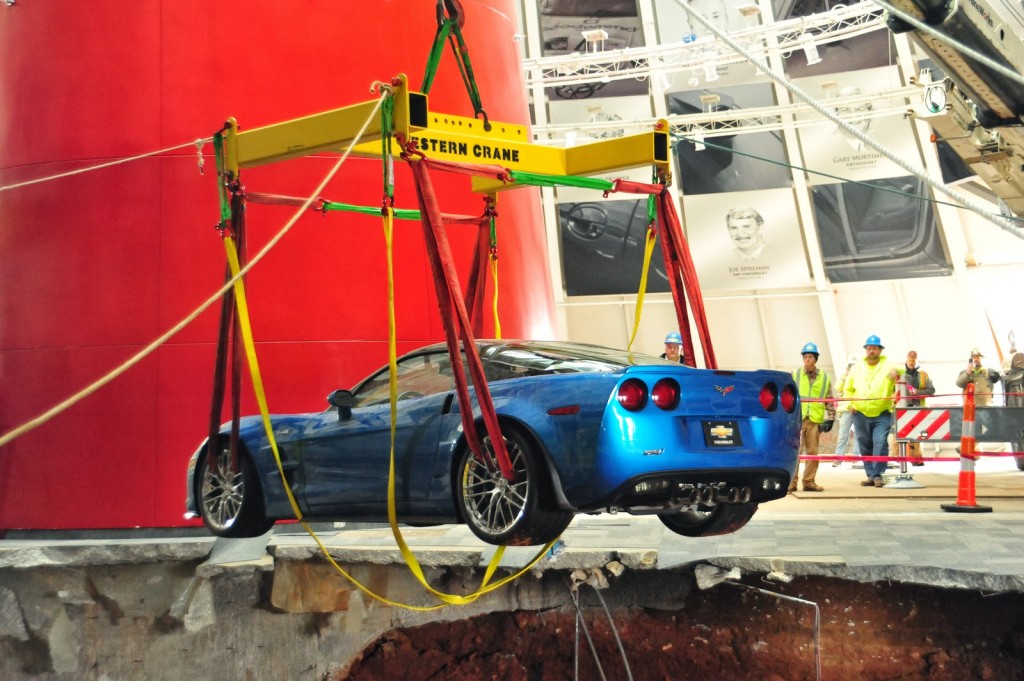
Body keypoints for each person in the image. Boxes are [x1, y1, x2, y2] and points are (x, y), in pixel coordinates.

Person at [843, 335, 902, 487]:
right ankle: (871, 475)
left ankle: (878, 475)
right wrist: (850, 405)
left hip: (882, 412)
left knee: (880, 443)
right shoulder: (857, 368)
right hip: (860, 412)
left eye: (875, 348)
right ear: (866, 350)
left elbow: (904, 370)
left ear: (880, 350)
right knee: (864, 444)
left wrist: (897, 371)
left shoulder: (888, 365)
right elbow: (848, 388)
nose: (871, 351)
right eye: (869, 348)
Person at [788, 342, 836, 493]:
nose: (808, 359)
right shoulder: (794, 374)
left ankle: (809, 482)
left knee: (813, 453)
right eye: (806, 357)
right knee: (795, 453)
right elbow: (788, 397)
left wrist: (831, 418)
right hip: (797, 420)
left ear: (816, 359)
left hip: (814, 420)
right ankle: (791, 483)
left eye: (810, 357)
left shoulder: (824, 378)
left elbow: (828, 398)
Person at [902, 350, 936, 465]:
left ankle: (916, 459)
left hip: (918, 408)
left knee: (916, 435)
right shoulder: (900, 374)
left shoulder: (923, 375)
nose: (911, 362)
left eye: (914, 360)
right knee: (900, 435)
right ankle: (902, 460)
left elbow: (931, 390)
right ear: (906, 360)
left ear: (917, 361)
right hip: (902, 409)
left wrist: (917, 392)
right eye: (910, 360)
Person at [833, 355, 860, 466]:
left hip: (858, 408)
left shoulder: (861, 377)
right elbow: (838, 388)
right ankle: (838, 458)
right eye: (850, 366)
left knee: (859, 434)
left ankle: (857, 457)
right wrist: (845, 376)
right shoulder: (844, 377)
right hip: (845, 409)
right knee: (843, 434)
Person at [1002, 349, 1024, 471]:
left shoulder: (1008, 378)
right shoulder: (1010, 378)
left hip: (1014, 413)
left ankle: (1021, 462)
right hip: (1016, 411)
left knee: (1017, 436)